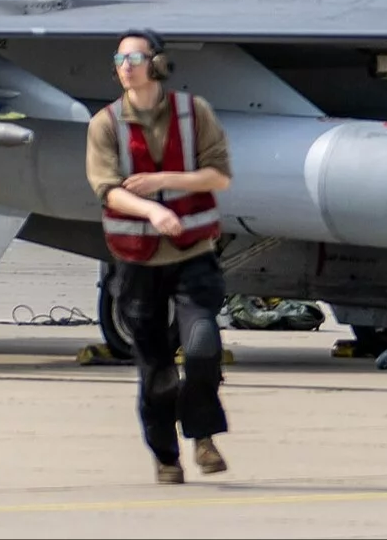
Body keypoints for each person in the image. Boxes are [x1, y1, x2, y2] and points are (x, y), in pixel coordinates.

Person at [86, 30, 234, 485]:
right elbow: (107, 190)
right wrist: (152, 207)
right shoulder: (105, 124)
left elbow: (219, 177)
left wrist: (168, 180)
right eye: (120, 58)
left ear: (158, 64)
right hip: (137, 263)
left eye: (135, 56)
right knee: (155, 370)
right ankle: (166, 456)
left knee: (203, 346)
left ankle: (204, 436)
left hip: (194, 253)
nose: (126, 65)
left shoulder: (195, 113)